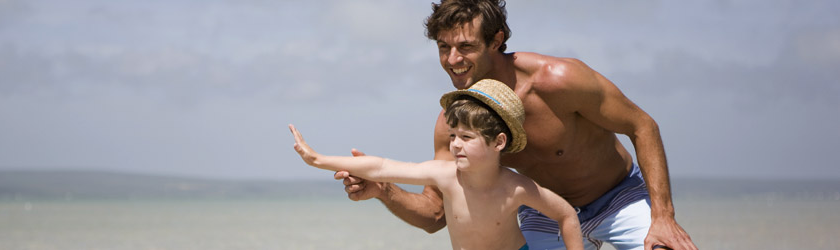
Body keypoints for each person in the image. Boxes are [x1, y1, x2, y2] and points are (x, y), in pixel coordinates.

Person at [334, 0, 697, 249]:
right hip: (543, 214)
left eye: (465, 47)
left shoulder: (557, 80)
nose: (452, 60)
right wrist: (384, 190)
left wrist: (663, 216)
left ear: (497, 40)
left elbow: (642, 126)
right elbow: (435, 214)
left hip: (617, 197)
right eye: (444, 47)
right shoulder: (454, 123)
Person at [291, 80, 583, 250]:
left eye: (467, 137)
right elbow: (381, 167)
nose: (455, 144)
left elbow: (566, 215)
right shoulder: (444, 175)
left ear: (499, 142)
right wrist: (317, 159)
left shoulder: (515, 187)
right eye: (453, 135)